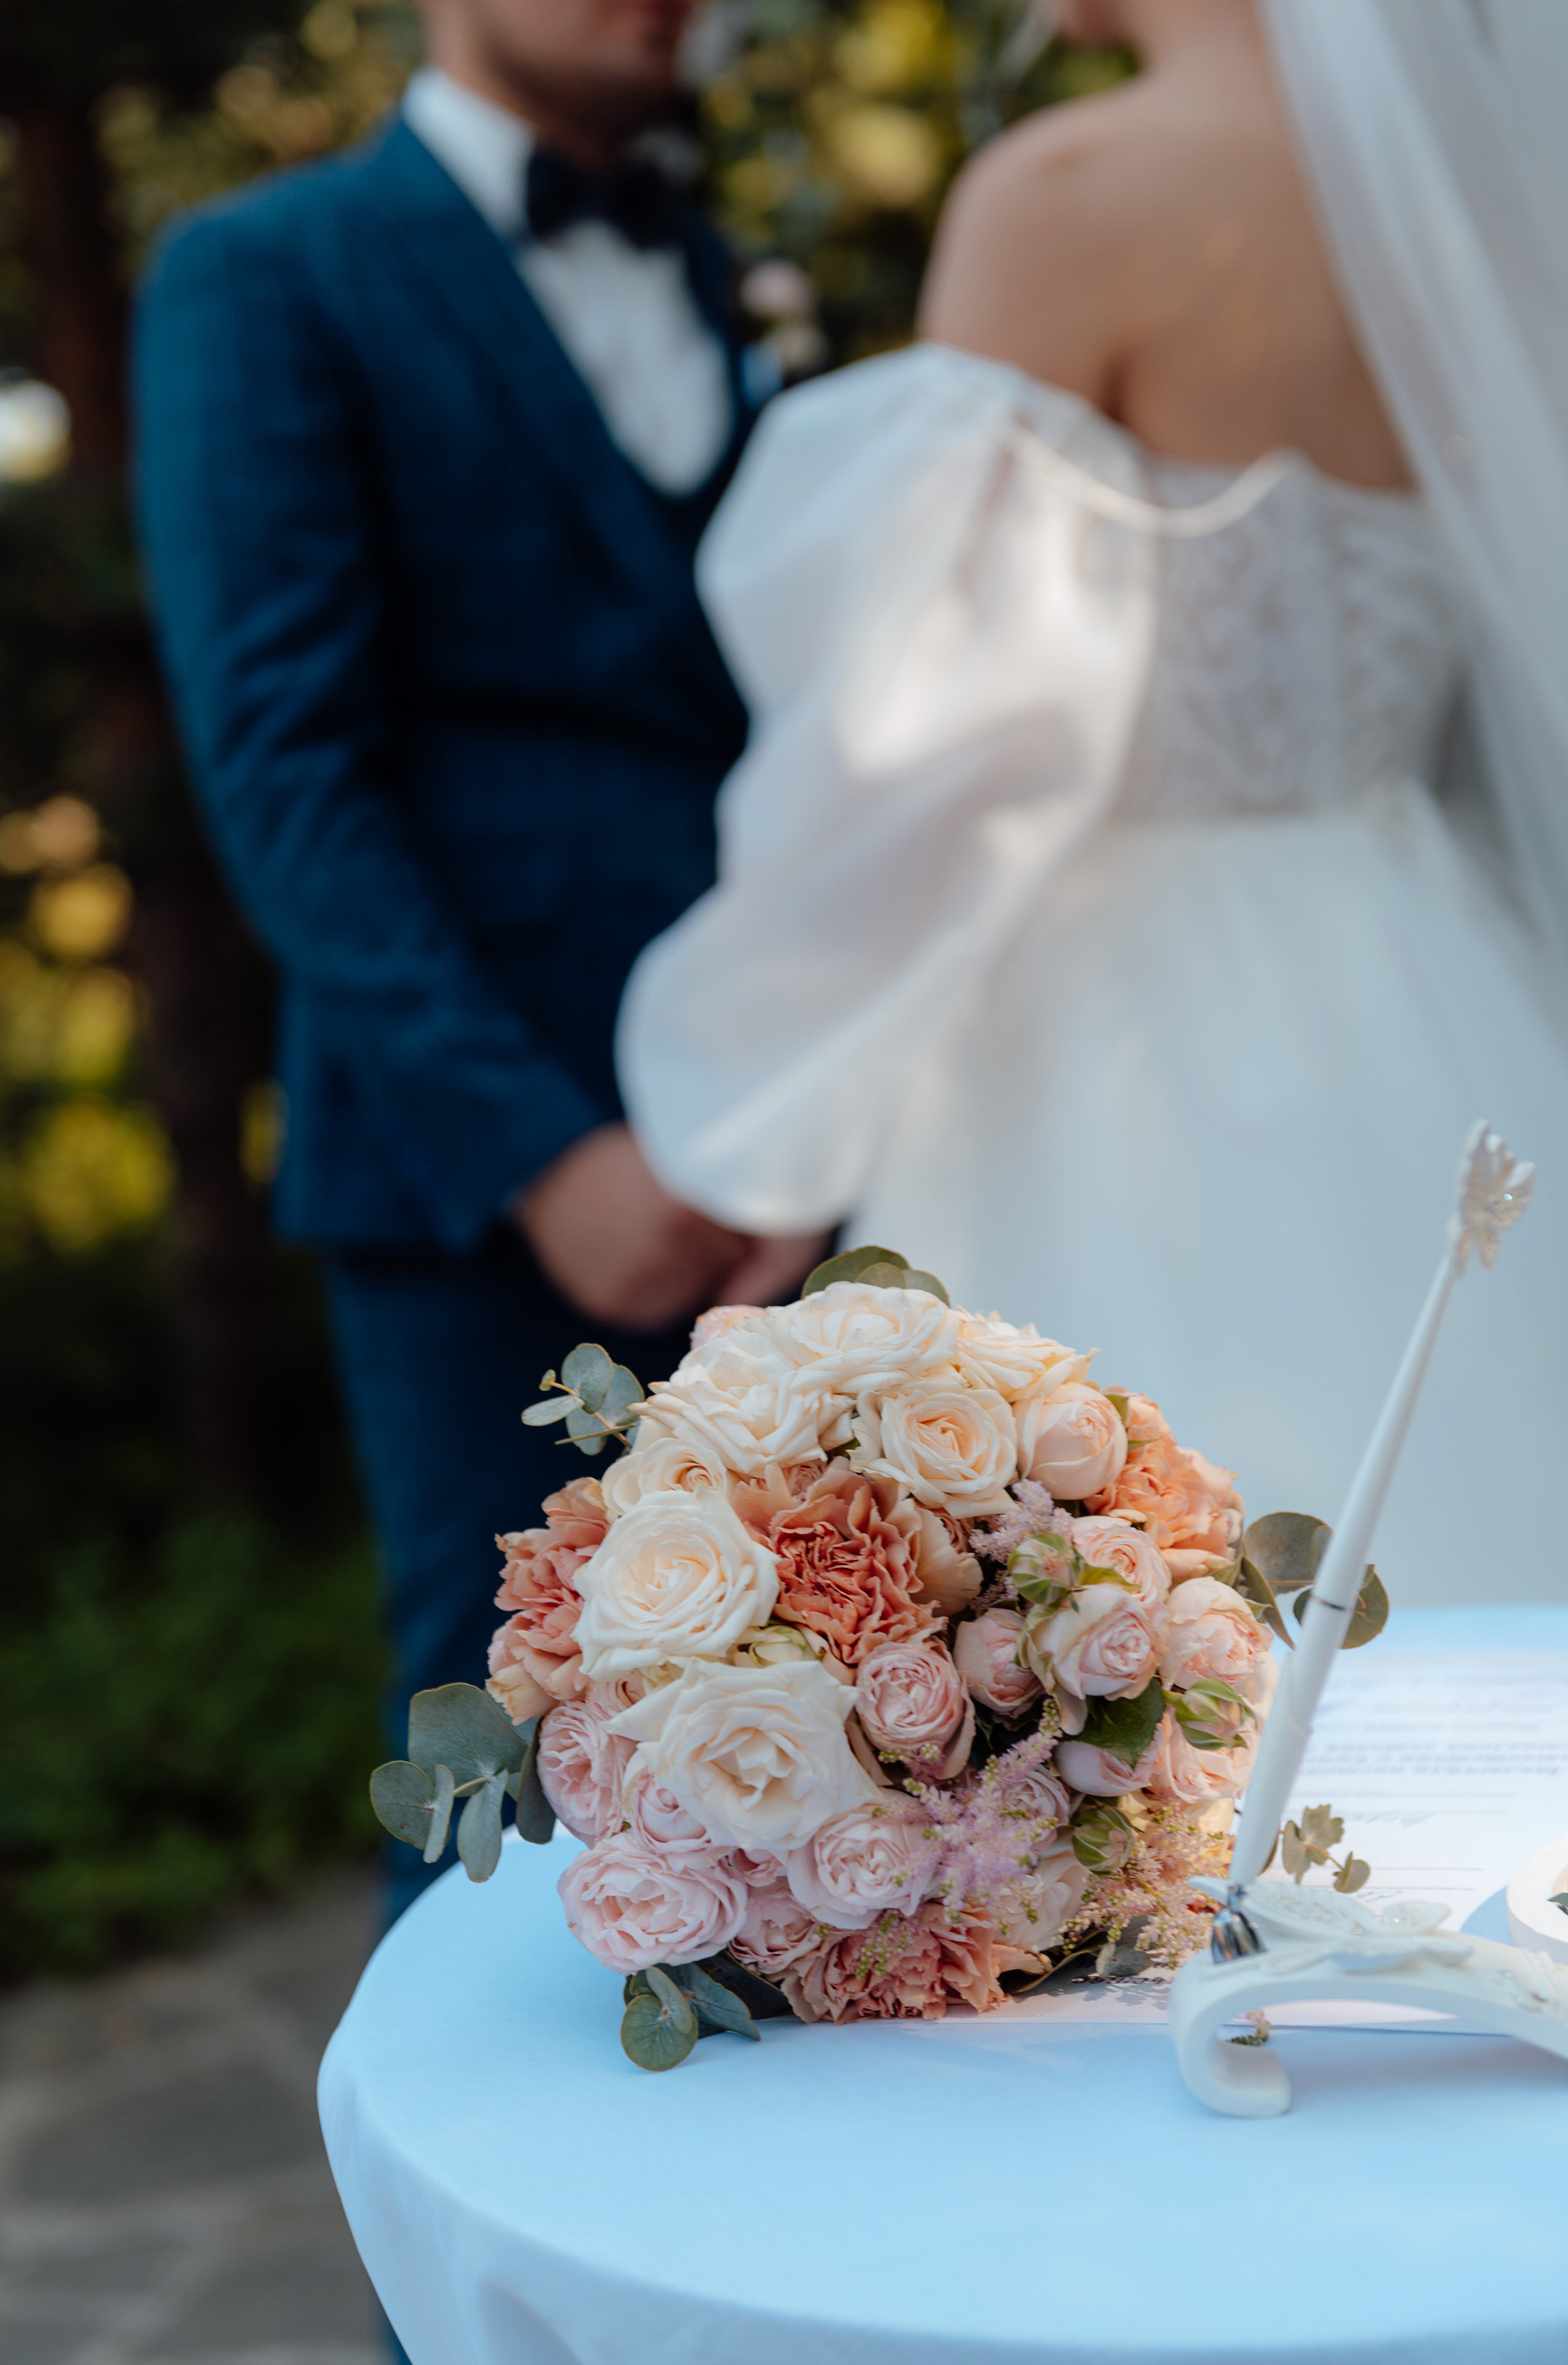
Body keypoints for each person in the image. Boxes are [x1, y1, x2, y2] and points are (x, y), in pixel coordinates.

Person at [618, 0, 1568, 1606]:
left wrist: (752, 1110)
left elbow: (919, 734)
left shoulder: (1070, 195)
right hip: (1426, 974)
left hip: (1119, 1013)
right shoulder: (1490, 194)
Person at [133, 0, 824, 1922]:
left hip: (787, 1144)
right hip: (484, 1186)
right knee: (512, 1777)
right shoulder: (265, 274)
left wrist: (816, 1097)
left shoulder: (733, 270)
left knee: (834, 1751)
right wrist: (543, 1152)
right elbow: (284, 770)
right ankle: (465, 2228)